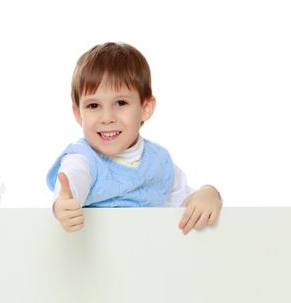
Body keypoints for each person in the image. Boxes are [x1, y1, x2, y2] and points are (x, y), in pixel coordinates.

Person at [47, 42, 222, 234]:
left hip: (148, 258)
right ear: (79, 114)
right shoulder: (82, 158)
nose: (107, 118)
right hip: (95, 260)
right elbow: (73, 182)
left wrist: (208, 193)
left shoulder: (159, 161)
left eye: (121, 103)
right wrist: (64, 205)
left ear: (145, 108)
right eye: (93, 106)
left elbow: (186, 204)